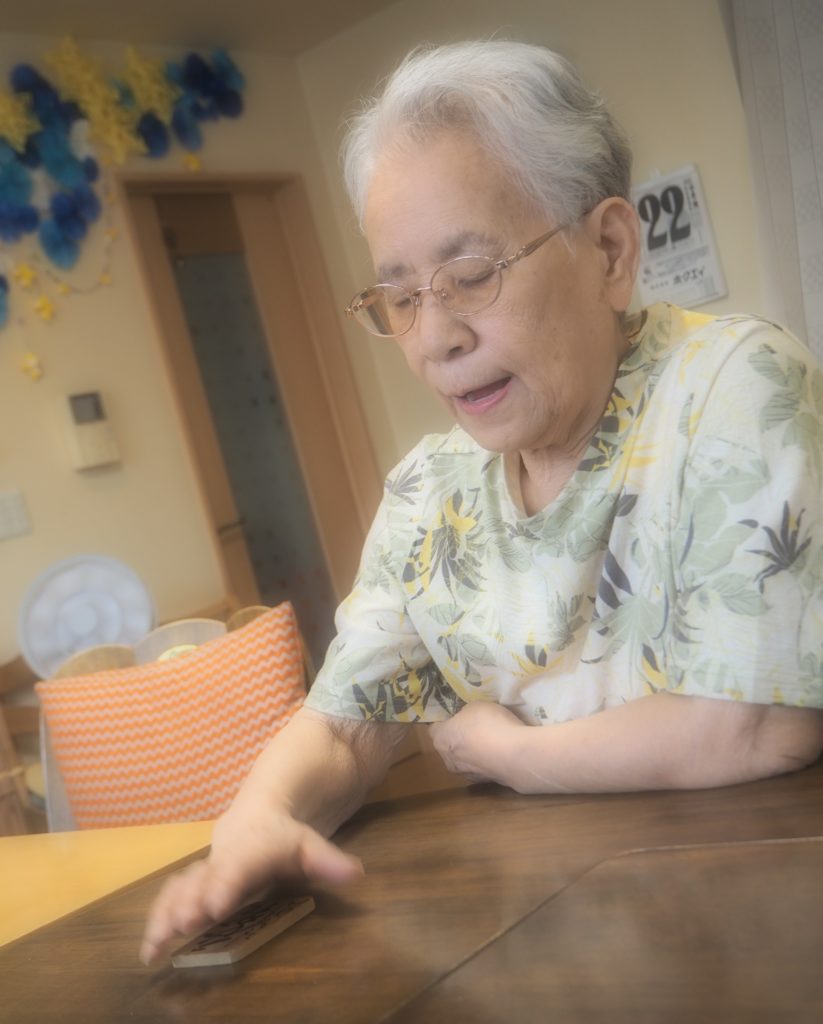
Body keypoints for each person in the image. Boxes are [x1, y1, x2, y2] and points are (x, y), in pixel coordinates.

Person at [140, 39, 823, 964]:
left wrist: (507, 755)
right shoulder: (429, 491)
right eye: (399, 298)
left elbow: (755, 725)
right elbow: (342, 728)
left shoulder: (730, 385)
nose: (435, 339)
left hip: (760, 922)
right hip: (552, 942)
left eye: (470, 276)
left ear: (610, 251)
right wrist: (259, 817)